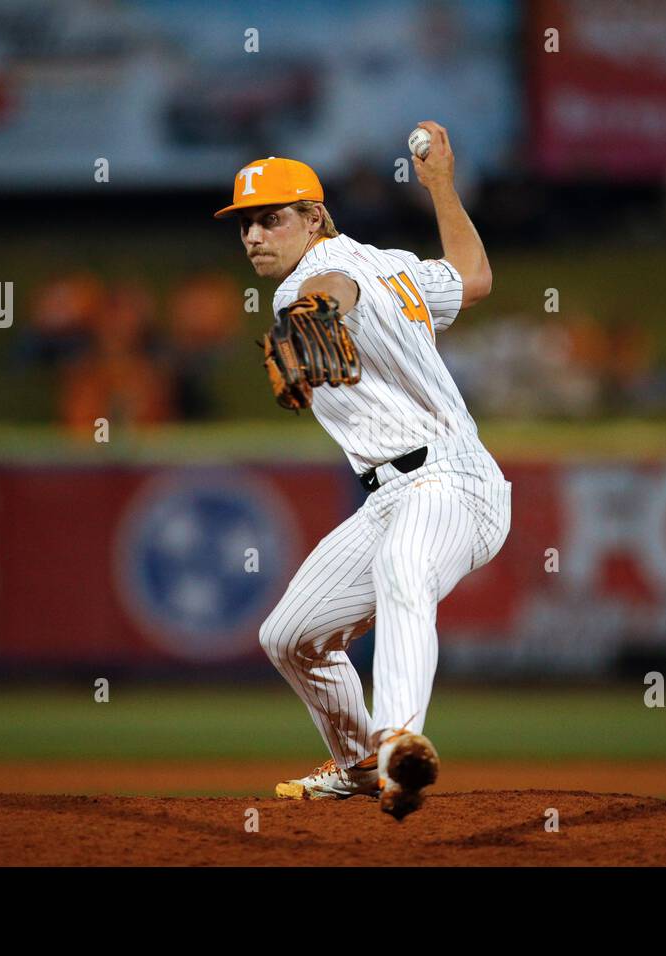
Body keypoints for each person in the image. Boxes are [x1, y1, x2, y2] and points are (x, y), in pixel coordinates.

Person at [213, 122, 512, 819]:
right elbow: (473, 278)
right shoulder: (396, 266)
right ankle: (355, 765)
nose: (254, 235)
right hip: (390, 496)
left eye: (271, 218)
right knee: (290, 637)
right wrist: (441, 186)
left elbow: (334, 286)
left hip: (453, 481)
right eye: (245, 223)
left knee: (405, 571)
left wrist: (316, 309)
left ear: (315, 217)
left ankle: (399, 745)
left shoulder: (309, 285)